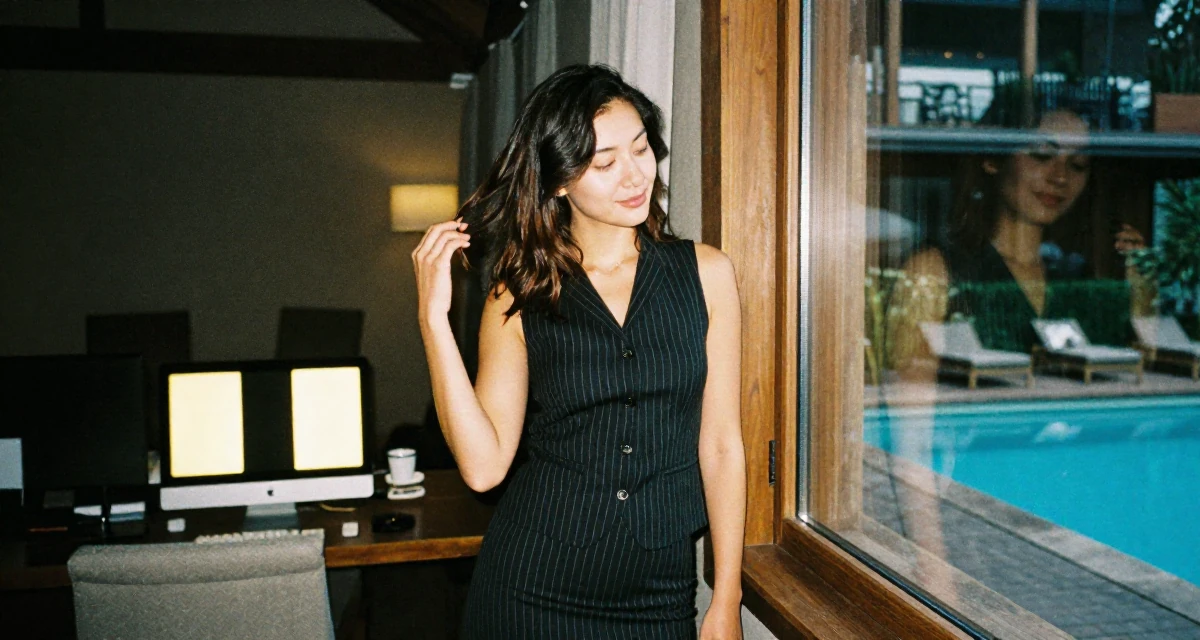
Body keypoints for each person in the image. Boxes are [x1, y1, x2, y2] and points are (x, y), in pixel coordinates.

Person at [412, 64, 746, 639]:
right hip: (530, 587)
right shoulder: (519, 294)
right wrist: (432, 321)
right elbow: (484, 468)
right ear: (560, 181)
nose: (635, 175)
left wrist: (727, 597)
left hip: (658, 596)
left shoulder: (707, 273)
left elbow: (721, 445)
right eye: (604, 163)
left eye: (640, 148)